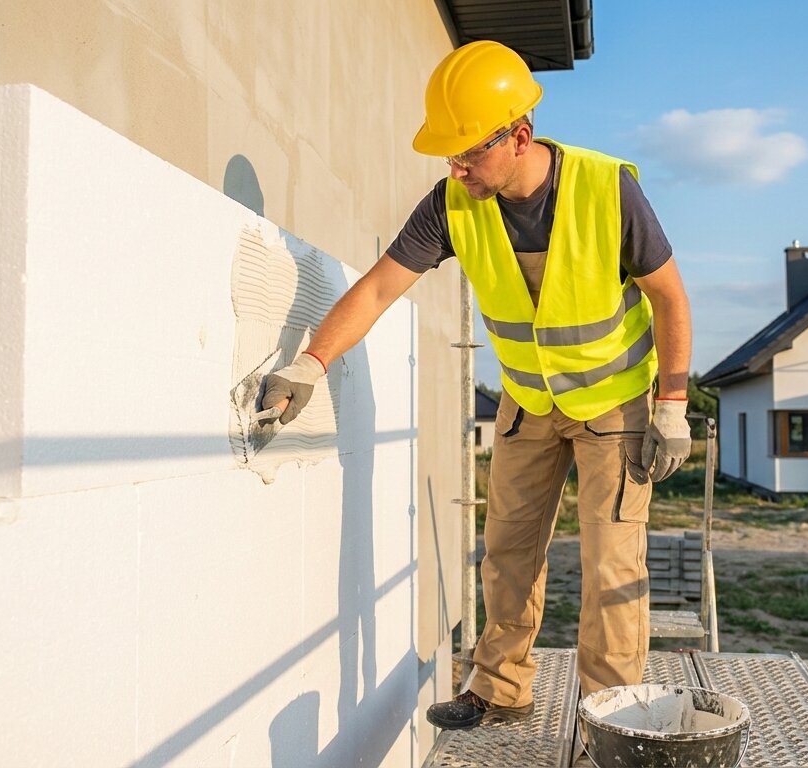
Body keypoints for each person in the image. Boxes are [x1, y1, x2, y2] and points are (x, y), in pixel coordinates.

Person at [260, 40, 693, 730]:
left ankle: (611, 716)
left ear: (519, 137)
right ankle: (500, 689)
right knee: (507, 552)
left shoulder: (606, 189)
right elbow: (376, 291)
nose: (455, 167)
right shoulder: (452, 205)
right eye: (449, 155)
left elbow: (670, 296)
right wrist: (310, 363)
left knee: (611, 567)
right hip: (529, 400)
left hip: (615, 404)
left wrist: (672, 405)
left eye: (468, 152)